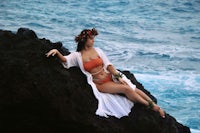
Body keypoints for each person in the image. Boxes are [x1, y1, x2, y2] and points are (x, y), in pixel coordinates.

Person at [46, 28, 165, 118]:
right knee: (127, 90)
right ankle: (152, 107)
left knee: (133, 88)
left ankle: (153, 103)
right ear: (84, 40)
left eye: (93, 39)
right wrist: (56, 52)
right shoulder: (77, 56)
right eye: (91, 39)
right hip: (101, 84)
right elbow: (65, 60)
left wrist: (118, 76)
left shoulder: (98, 50)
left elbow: (108, 65)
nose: (93, 41)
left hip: (110, 77)